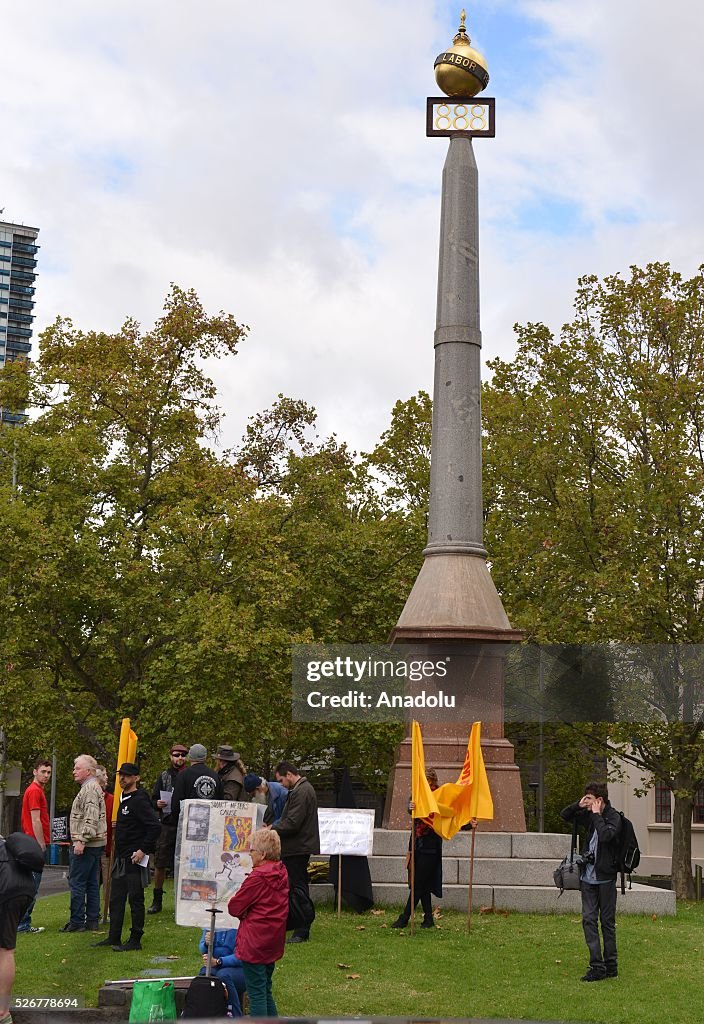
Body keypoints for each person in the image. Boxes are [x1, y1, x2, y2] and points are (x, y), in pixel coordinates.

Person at [92, 762, 161, 952]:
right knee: (116, 898)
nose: (123, 778)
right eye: (121, 775)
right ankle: (114, 936)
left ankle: (135, 939)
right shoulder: (124, 797)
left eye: (128, 776)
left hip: (134, 858)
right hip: (121, 857)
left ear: (136, 778)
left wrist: (143, 850)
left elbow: (154, 826)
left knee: (135, 899)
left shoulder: (139, 799)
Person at [561, 782, 622, 981]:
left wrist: (596, 815)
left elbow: (606, 836)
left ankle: (611, 964)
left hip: (605, 879)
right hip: (588, 877)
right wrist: (578, 805)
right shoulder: (588, 814)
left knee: (607, 923)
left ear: (600, 800)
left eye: (590, 798)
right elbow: (565, 816)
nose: (588, 802)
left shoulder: (613, 817)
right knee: (588, 920)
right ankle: (597, 965)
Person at [227, 829, 289, 1017]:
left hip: (254, 942)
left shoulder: (257, 878)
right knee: (265, 989)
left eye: (252, 850)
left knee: (256, 994)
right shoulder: (281, 871)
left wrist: (246, 910)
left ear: (262, 854)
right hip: (272, 939)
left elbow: (234, 907)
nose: (250, 854)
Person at [271, 761, 319, 944]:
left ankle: (302, 928)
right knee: (295, 887)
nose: (281, 784)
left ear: (290, 774)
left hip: (298, 848)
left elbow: (292, 822)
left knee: (298, 888)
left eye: (282, 780)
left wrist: (271, 829)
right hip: (297, 846)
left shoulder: (302, 791)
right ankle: (297, 924)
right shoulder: (300, 790)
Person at [391, 767, 443, 930]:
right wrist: (411, 806)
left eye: (426, 781)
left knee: (418, 884)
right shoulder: (418, 794)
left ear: (432, 781)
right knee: (423, 884)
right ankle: (428, 919)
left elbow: (451, 817)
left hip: (431, 847)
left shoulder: (440, 797)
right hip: (417, 844)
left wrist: (469, 825)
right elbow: (410, 808)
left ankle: (404, 918)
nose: (424, 784)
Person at [61, 755, 106, 933]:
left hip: (87, 844)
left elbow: (91, 816)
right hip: (96, 843)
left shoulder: (89, 789)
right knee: (92, 883)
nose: (74, 771)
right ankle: (92, 920)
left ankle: (77, 921)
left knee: (78, 882)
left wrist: (81, 840)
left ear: (88, 771)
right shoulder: (94, 787)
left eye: (77, 768)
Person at [0, 834, 40, 1024]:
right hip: (25, 886)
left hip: (6, 887)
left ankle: (2, 1012)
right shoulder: (3, 841)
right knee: (6, 947)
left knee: (5, 950)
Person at [148, 743, 188, 914]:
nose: (179, 758)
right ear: (171, 756)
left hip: (185, 823)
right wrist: (157, 803)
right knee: (160, 863)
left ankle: (183, 901)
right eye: (176, 755)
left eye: (182, 755)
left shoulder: (189, 775)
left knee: (185, 864)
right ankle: (157, 900)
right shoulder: (164, 776)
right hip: (167, 823)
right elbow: (154, 798)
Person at [17, 758, 52, 934]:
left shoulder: (35, 790)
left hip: (31, 842)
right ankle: (23, 923)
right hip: (33, 844)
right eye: (43, 771)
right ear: (34, 772)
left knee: (29, 884)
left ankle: (21, 922)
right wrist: (40, 844)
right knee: (32, 885)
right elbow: (35, 819)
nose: (46, 775)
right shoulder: (34, 791)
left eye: (48, 772)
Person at [197, 927, 245, 1016]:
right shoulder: (213, 919)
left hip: (241, 969)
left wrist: (218, 961)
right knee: (204, 975)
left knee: (223, 976)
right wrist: (206, 944)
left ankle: (235, 1016)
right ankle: (205, 1014)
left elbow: (241, 956)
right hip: (216, 967)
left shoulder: (240, 924)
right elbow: (202, 948)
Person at [171, 744, 223, 824]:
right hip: (211, 823)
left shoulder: (183, 775)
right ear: (205, 757)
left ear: (190, 757)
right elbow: (221, 802)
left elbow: (175, 804)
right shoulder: (215, 776)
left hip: (189, 824)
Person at [95, 766, 114, 894]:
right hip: (92, 848)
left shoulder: (111, 800)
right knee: (92, 883)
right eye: (103, 775)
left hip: (106, 848)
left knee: (108, 882)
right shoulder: (86, 797)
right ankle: (91, 911)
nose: (106, 778)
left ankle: (108, 910)